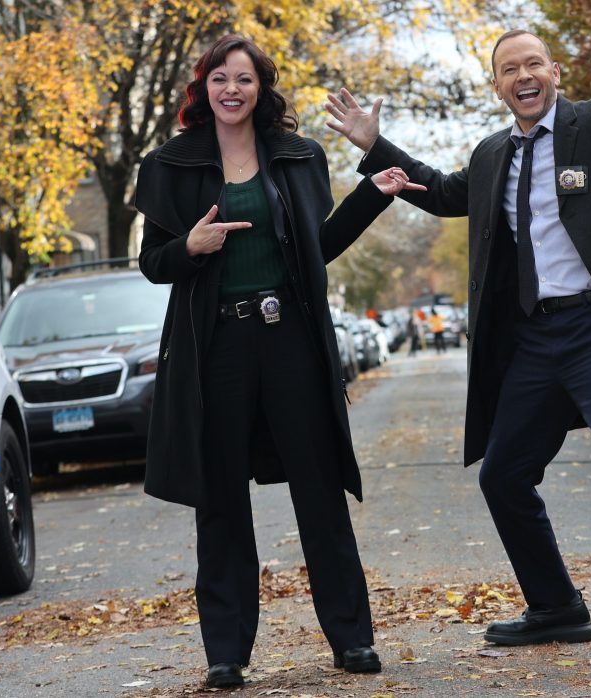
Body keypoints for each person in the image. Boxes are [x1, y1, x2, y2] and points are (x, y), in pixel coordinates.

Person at [326, 26, 591, 677]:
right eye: (508, 70)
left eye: (532, 65)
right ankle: (555, 606)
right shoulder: (494, 153)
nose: (523, 77)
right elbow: (441, 193)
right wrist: (372, 145)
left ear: (553, 71)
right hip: (533, 339)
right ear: (497, 87)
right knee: (503, 473)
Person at [135, 34, 424, 690]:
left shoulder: (298, 156)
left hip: (290, 337)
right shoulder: (171, 166)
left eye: (243, 79)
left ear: (261, 88)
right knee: (221, 500)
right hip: (218, 347)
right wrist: (191, 245)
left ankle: (352, 639)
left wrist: (371, 194)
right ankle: (227, 653)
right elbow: (154, 263)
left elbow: (315, 249)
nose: (231, 90)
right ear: (202, 90)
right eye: (219, 79)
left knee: (318, 489)